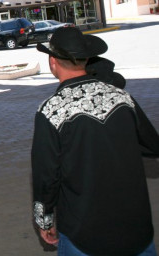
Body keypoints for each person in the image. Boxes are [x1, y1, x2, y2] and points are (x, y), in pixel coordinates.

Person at [32, 27, 159, 255]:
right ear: (87, 59)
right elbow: (153, 145)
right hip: (136, 229)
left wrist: (45, 221)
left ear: (53, 62)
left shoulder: (50, 111)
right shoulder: (122, 97)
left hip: (84, 235)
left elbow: (46, 176)